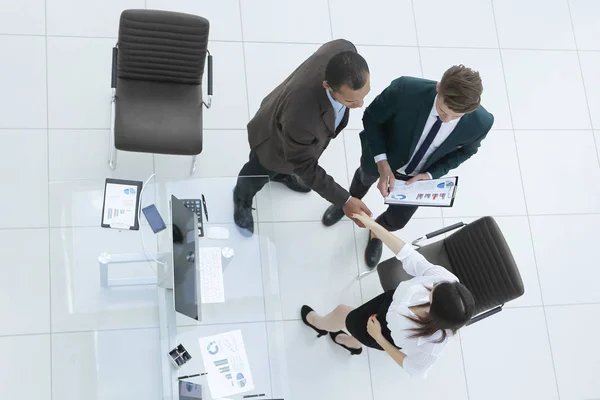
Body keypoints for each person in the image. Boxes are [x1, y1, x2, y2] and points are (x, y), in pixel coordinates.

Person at [321, 65, 494, 267]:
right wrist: (382, 162)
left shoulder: (482, 122)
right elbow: (371, 118)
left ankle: (376, 233)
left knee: (398, 221)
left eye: (456, 117)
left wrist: (430, 175)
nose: (446, 120)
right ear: (439, 88)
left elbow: (467, 151)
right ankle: (348, 204)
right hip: (380, 156)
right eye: (443, 111)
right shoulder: (405, 89)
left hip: (417, 177)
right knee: (363, 178)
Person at [301, 211, 475, 378]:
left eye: (434, 291)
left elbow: (415, 369)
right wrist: (375, 227)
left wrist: (379, 338)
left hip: (381, 332)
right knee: (353, 319)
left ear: (435, 308)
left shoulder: (434, 343)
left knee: (342, 312)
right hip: (388, 302)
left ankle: (319, 324)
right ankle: (353, 344)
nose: (434, 285)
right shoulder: (446, 280)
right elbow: (408, 255)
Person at [233, 39, 373, 236]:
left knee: (285, 165)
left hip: (291, 133)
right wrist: (345, 200)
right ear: (327, 86)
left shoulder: (343, 48)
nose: (360, 104)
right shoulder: (302, 119)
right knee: (257, 172)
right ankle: (242, 199)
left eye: (364, 94)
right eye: (350, 100)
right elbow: (304, 165)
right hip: (273, 145)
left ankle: (281, 174)